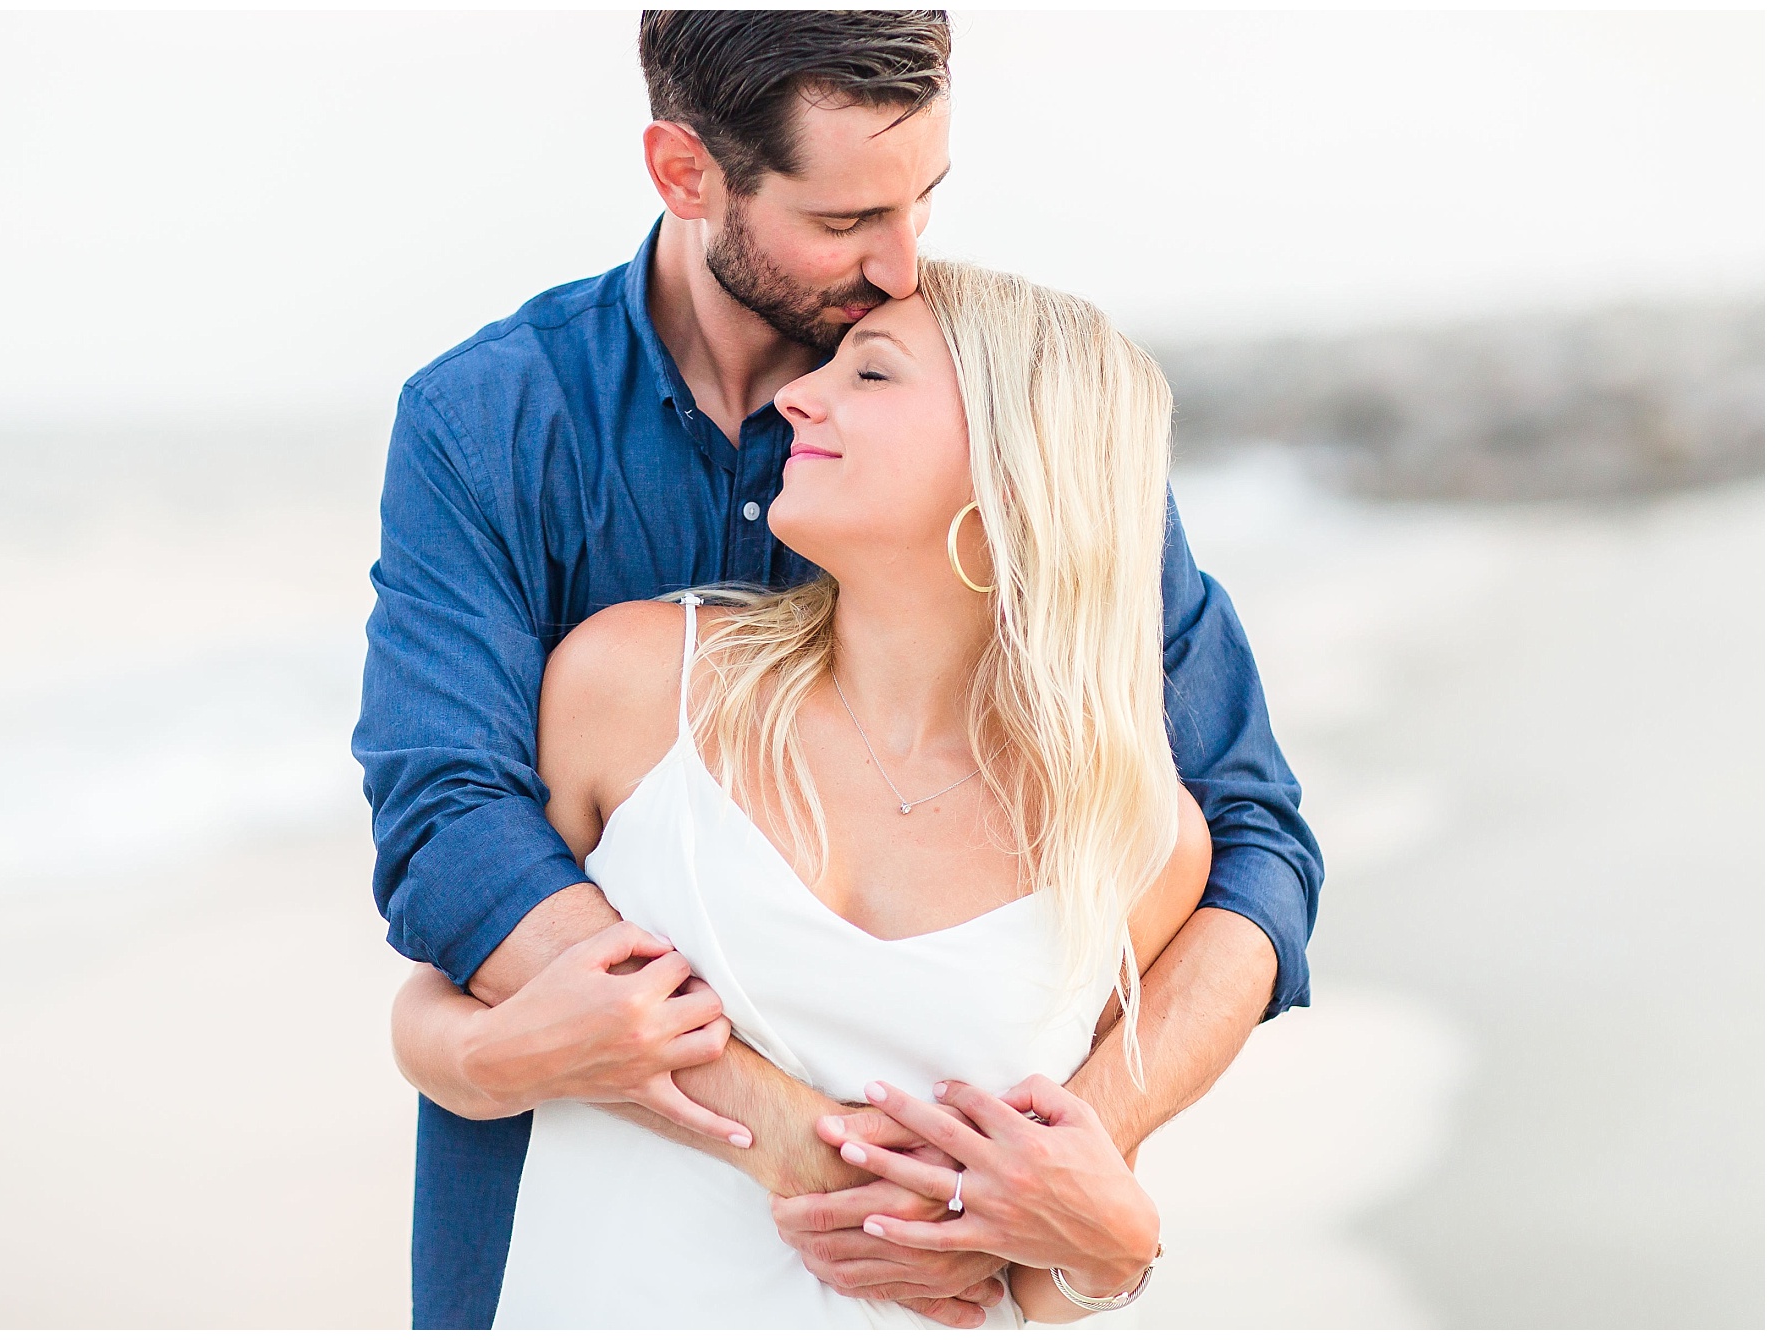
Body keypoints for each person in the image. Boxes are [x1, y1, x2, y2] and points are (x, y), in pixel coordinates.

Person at [355, 10, 1321, 1329]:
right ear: (687, 175)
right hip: (568, 1235)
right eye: (848, 216)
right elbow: (449, 834)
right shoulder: (497, 422)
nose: (901, 260)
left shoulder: (996, 414)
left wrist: (1053, 1186)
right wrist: (807, 1144)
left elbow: (1250, 836)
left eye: (924, 198)